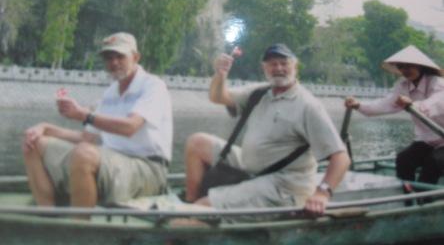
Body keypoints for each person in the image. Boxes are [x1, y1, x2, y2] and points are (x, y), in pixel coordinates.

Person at [184, 43, 350, 215]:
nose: (278, 68)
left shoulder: (308, 106)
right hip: (252, 166)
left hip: (283, 186)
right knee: (197, 143)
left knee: (202, 208)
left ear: (295, 66)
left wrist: (322, 193)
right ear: (264, 68)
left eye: (283, 63)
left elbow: (341, 158)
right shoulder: (260, 93)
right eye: (272, 63)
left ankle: (194, 213)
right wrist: (220, 75)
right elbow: (218, 97)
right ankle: (190, 202)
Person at [22, 32, 173, 210]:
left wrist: (85, 115)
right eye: (109, 57)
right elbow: (86, 137)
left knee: (84, 154)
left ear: (135, 57)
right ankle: (46, 215)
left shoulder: (153, 86)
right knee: (33, 143)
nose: (114, 62)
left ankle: (81, 228)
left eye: (120, 56)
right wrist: (44, 128)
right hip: (113, 162)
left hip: (148, 170)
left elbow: (130, 127)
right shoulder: (110, 93)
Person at [345, 45, 444, 185]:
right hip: (428, 141)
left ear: (420, 66)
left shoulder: (438, 83)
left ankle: (425, 201)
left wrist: (414, 105)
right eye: (401, 66)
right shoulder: (403, 85)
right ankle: (407, 197)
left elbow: (438, 103)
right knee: (403, 159)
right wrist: (359, 105)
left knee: (432, 163)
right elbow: (385, 104)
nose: (405, 70)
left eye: (409, 66)